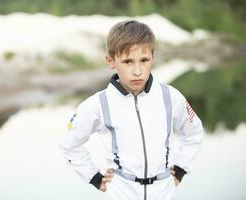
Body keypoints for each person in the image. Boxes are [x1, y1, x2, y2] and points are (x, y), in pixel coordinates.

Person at [59, 20, 204, 200]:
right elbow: (69, 144)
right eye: (127, 61)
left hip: (163, 192)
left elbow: (193, 132)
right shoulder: (97, 104)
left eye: (144, 60)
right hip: (121, 192)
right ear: (111, 61)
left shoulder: (171, 97)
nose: (137, 71)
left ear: (153, 56)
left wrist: (181, 169)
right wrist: (94, 177)